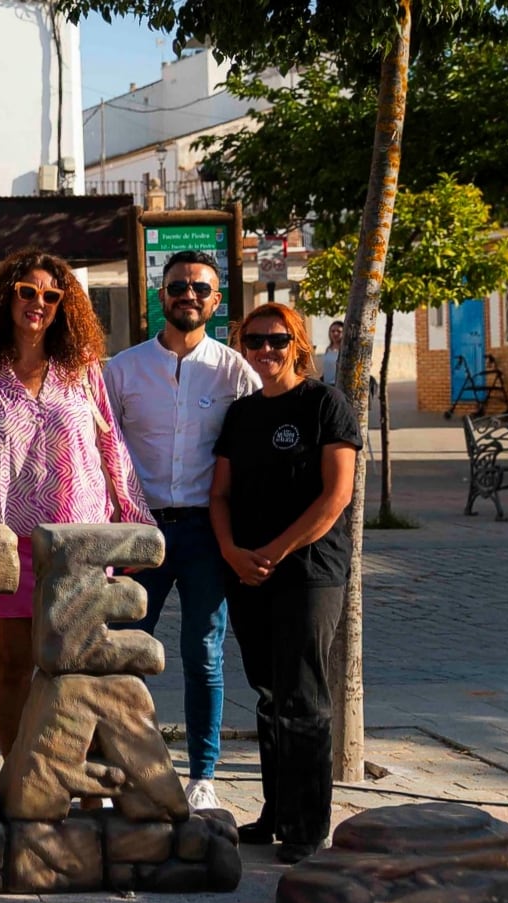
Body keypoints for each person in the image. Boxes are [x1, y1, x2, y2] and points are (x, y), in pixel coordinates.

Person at [0, 249, 152, 756]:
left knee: (77, 666)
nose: (38, 303)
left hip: (78, 547)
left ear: (64, 306)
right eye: (27, 292)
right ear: (7, 296)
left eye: (51, 296)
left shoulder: (83, 371)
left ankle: (83, 784)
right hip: (7, 544)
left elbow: (110, 446)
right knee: (11, 666)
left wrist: (133, 525)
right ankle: (17, 778)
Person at [106, 251, 260, 812]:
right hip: (137, 532)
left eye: (200, 287)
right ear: (160, 295)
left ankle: (203, 773)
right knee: (123, 652)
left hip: (204, 532)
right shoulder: (121, 370)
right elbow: (103, 450)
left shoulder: (235, 372)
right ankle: (124, 764)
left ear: (216, 300)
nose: (188, 295)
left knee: (204, 653)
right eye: (177, 286)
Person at [210, 302, 360, 864]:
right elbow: (219, 493)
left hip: (307, 573)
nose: (265, 352)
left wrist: (272, 552)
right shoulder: (242, 413)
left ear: (297, 343)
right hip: (246, 570)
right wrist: (231, 551)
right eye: (254, 342)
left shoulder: (325, 404)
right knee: (269, 693)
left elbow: (335, 496)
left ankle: (307, 825)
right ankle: (275, 813)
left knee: (302, 696)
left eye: (276, 341)